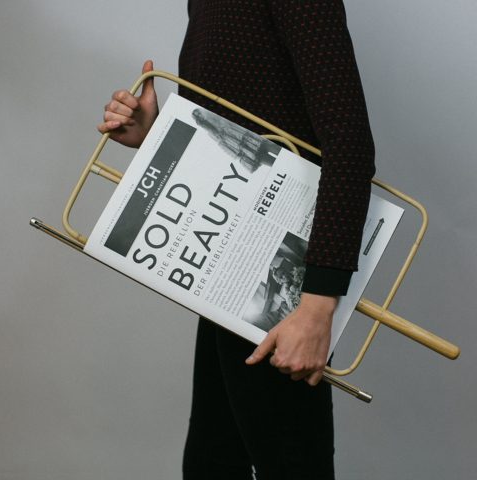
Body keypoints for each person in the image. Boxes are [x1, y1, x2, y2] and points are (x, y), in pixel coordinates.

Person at [97, 1, 375, 478]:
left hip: (282, 288)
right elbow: (244, 126)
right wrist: (156, 134)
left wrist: (315, 308)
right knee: (211, 464)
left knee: (291, 467)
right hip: (227, 270)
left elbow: (349, 142)